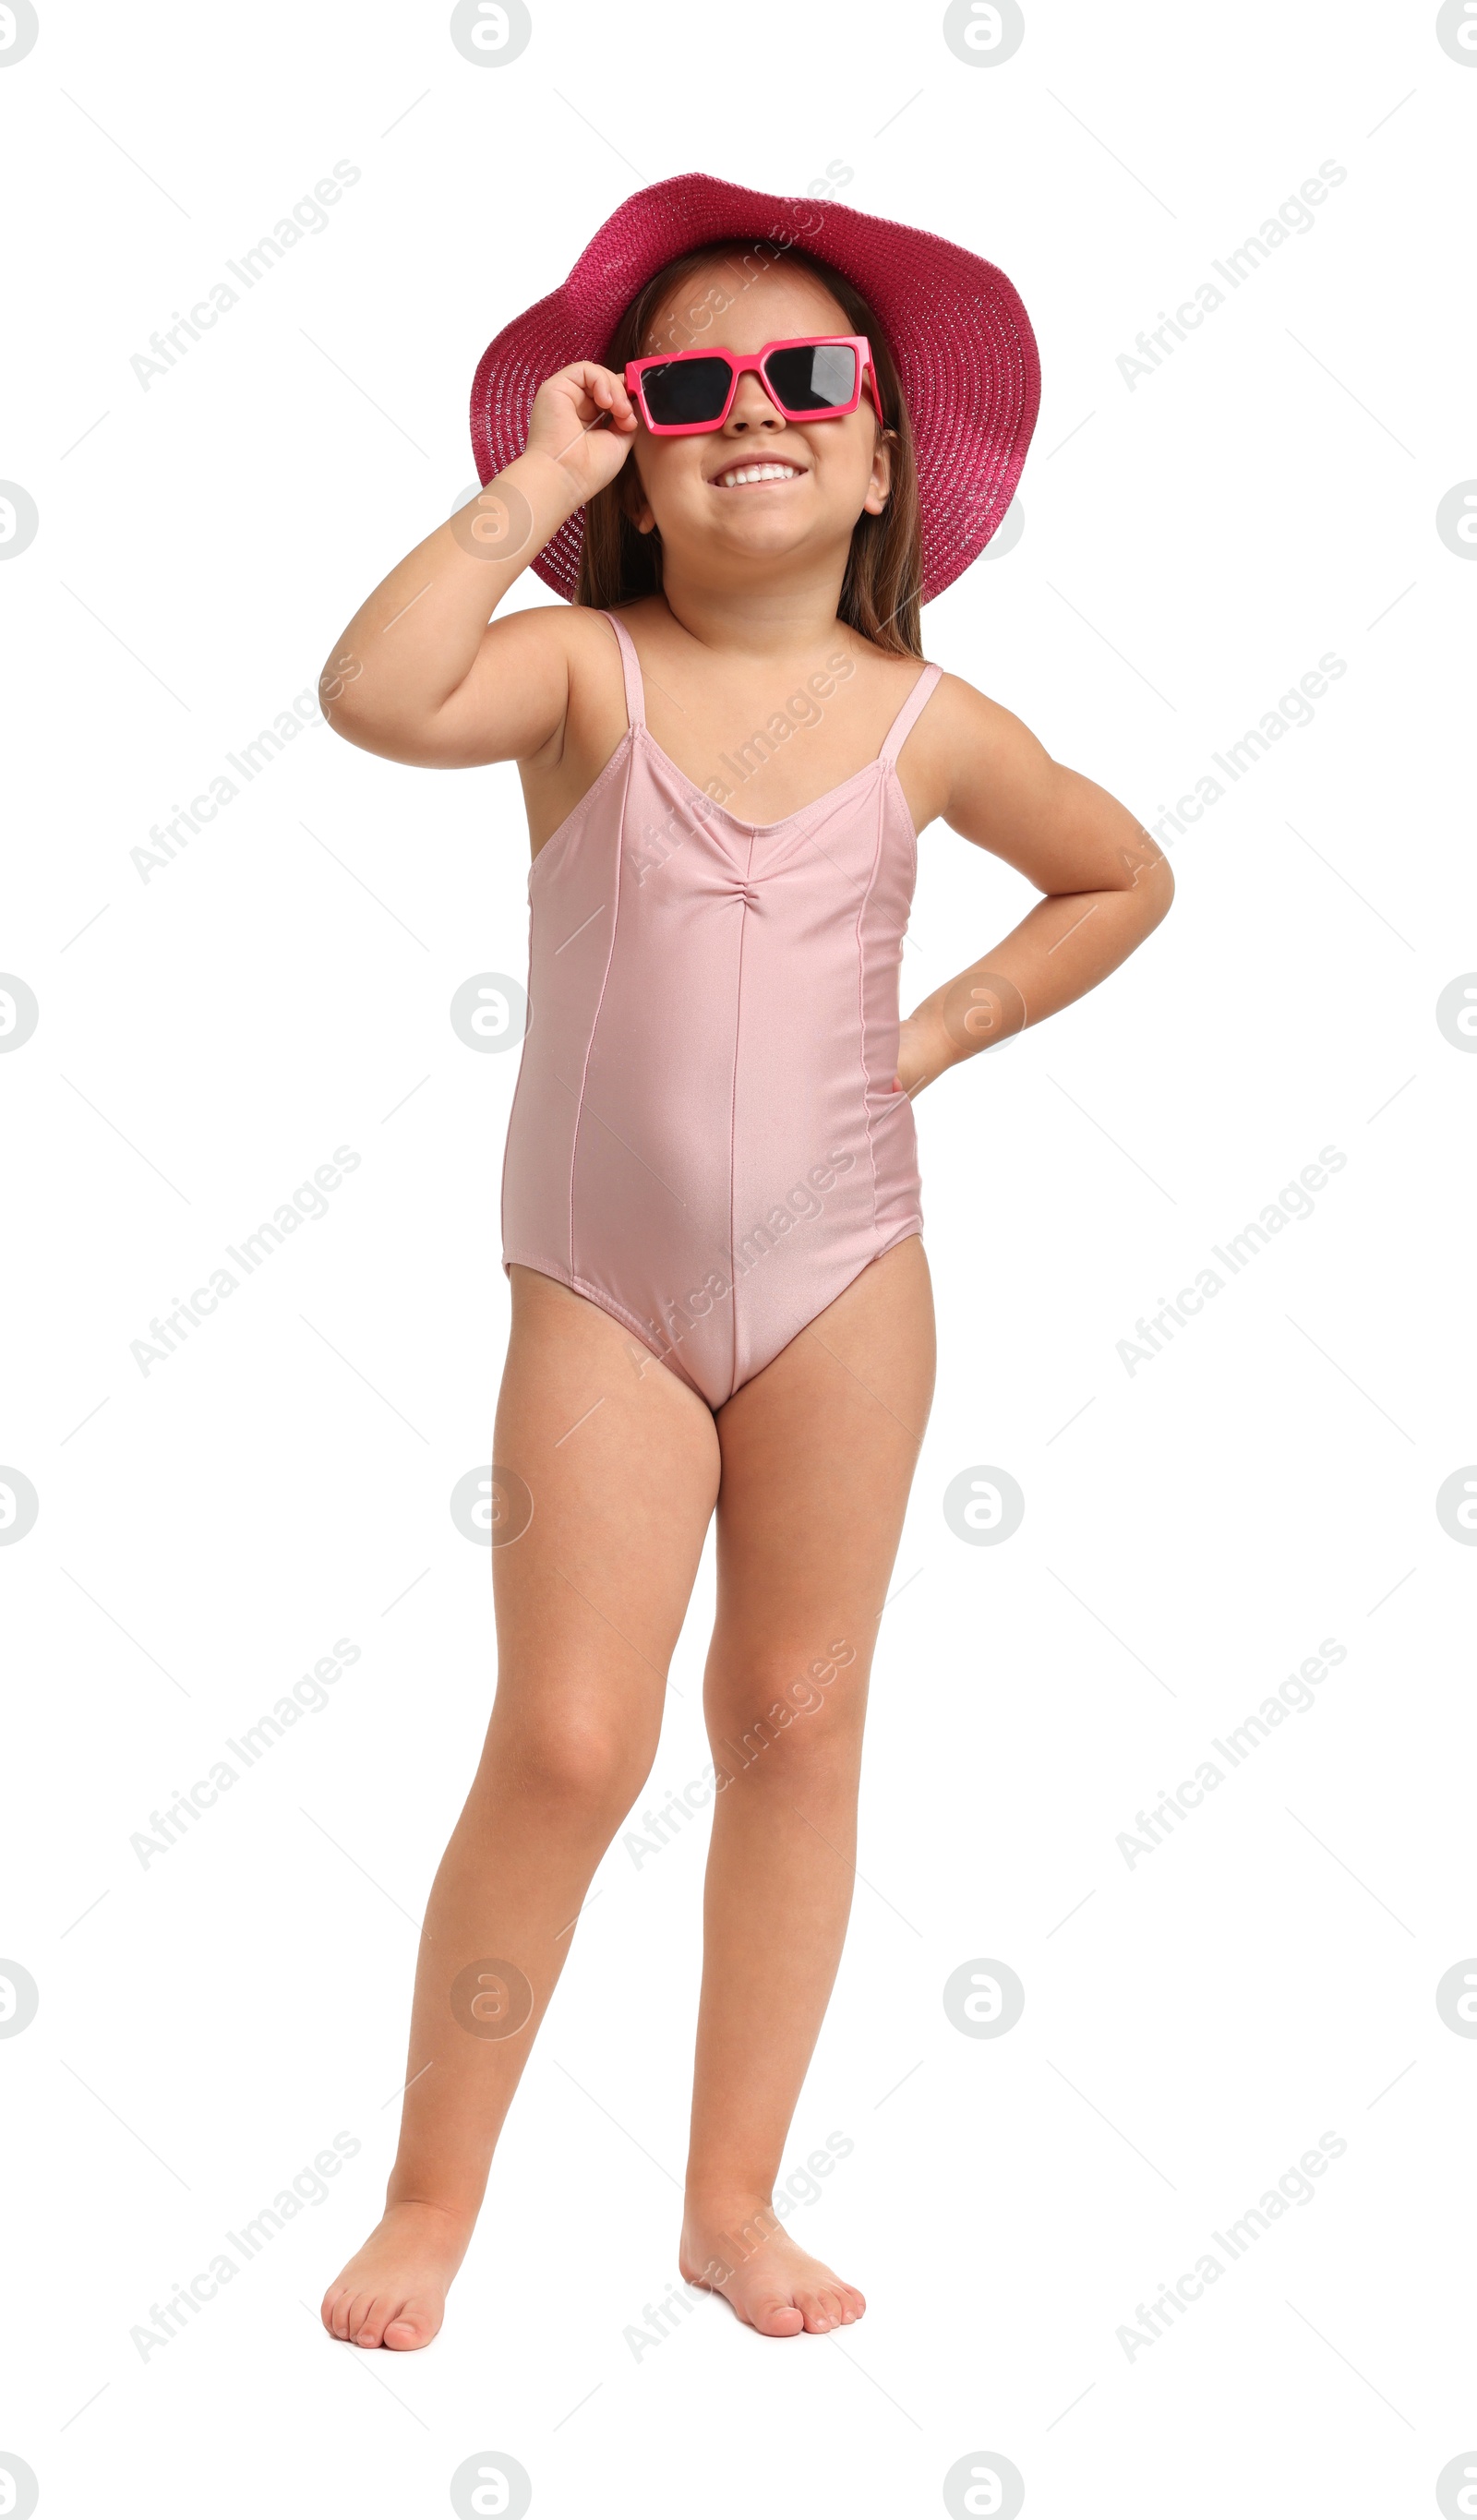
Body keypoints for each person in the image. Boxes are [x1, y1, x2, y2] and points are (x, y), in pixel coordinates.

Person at [317, 173, 1172, 2352]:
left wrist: (936, 1036)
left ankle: (729, 2198)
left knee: (793, 1715)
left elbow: (1117, 876)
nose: (752, 412)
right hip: (600, 1291)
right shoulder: (579, 671)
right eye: (689, 388)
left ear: (881, 452)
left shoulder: (927, 720)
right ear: (638, 451)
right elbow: (373, 693)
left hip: (844, 1285)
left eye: (809, 377)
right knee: (576, 1738)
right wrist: (533, 486)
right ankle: (433, 2191)